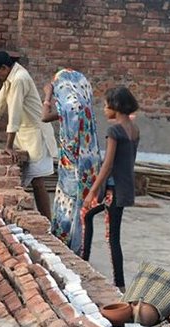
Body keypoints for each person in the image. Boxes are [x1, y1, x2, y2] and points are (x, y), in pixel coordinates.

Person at [0, 51, 57, 219]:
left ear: (4, 68)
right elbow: (0, 103)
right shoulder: (10, 77)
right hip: (25, 135)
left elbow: (15, 113)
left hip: (36, 135)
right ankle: (40, 221)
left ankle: (46, 223)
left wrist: (8, 146)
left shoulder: (19, 79)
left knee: (38, 182)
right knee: (29, 181)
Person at [81, 86, 140, 290]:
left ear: (116, 107)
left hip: (113, 192)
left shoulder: (114, 130)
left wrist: (92, 192)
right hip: (124, 188)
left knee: (112, 237)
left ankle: (119, 285)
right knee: (89, 218)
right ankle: (83, 262)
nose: (104, 110)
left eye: (106, 106)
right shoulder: (134, 129)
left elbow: (108, 164)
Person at [41, 69, 101, 256]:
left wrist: (47, 95)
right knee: (80, 210)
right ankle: (79, 248)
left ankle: (70, 249)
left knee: (69, 207)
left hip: (73, 168)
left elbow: (44, 117)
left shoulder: (70, 109)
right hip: (86, 168)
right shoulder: (83, 107)